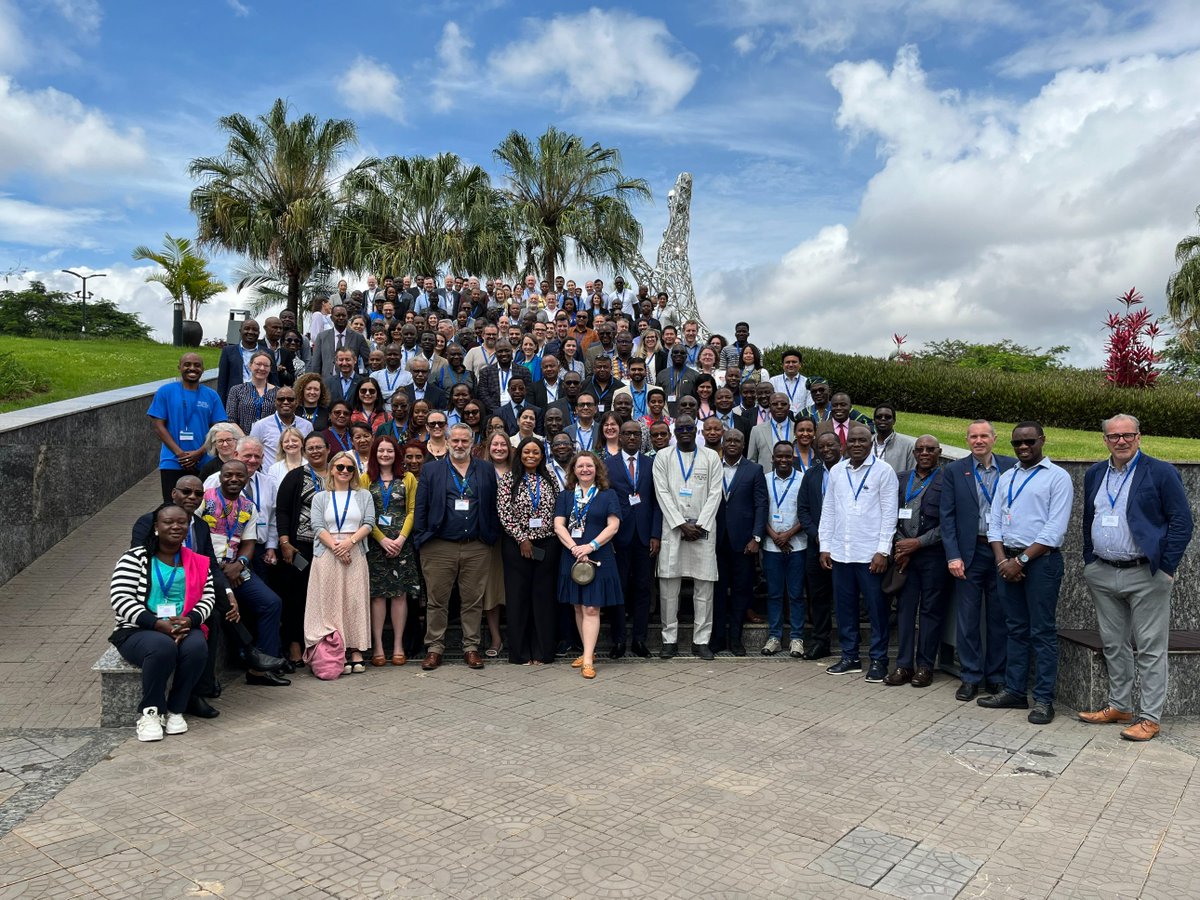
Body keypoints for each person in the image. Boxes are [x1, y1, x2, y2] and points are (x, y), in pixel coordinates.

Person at [1077, 414, 1194, 741]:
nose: (1121, 441)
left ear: (1139, 437)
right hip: (1103, 571)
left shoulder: (1161, 472)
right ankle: (1119, 706)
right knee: (1114, 644)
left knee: (1150, 648)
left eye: (1128, 435)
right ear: (1105, 441)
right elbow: (1089, 518)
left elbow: (1182, 522)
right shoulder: (1096, 473)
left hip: (1146, 573)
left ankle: (1150, 718)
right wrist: (1089, 560)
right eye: (1114, 436)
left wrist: (1167, 566)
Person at [978, 421, 1073, 725]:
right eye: (1017, 442)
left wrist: (1020, 561)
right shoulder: (1007, 477)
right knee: (1015, 629)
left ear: (1042, 440)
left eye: (1029, 441)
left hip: (1041, 564)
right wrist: (1002, 560)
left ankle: (1044, 699)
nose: (1023, 447)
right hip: (1006, 560)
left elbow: (1054, 529)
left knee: (1041, 632)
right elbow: (994, 522)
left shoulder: (1058, 478)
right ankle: (1015, 691)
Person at [110, 504, 215, 741]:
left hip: (183, 625)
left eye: (182, 522)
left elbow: (208, 597)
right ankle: (151, 712)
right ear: (156, 527)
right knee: (162, 646)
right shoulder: (134, 558)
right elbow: (120, 597)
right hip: (139, 629)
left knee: (197, 647)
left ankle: (176, 709)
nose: (176, 526)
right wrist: (157, 624)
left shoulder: (198, 562)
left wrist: (190, 620)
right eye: (168, 522)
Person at [413, 423, 501, 671]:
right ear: (447, 442)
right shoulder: (431, 470)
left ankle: (471, 647)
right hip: (439, 546)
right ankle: (434, 648)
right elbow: (421, 507)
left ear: (472, 443)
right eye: (455, 441)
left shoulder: (485, 469)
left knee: (472, 600)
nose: (460, 445)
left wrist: (490, 536)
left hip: (476, 546)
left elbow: (493, 504)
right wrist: (421, 537)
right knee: (437, 600)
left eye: (465, 441)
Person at [939, 420, 1017, 701]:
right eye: (973, 436)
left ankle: (996, 677)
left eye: (984, 435)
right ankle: (970, 676)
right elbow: (946, 517)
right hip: (969, 553)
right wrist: (953, 556)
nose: (979, 440)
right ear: (967, 440)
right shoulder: (955, 470)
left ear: (994, 439)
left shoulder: (1011, 467)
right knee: (968, 618)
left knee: (999, 617)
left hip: (1003, 553)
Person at [819, 424, 899, 682]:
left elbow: (890, 514)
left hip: (869, 555)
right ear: (845, 444)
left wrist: (882, 551)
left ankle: (878, 660)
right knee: (844, 610)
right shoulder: (837, 472)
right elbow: (828, 510)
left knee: (876, 610)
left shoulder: (884, 472)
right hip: (841, 553)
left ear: (871, 442)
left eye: (862, 440)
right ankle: (850, 656)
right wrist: (825, 547)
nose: (856, 444)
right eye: (851, 440)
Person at [202, 460, 288, 687]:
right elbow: (195, 539)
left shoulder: (248, 506)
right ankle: (245, 655)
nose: (233, 479)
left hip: (235, 566)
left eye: (239, 476)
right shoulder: (204, 499)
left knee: (271, 602)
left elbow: (249, 543)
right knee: (224, 609)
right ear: (220, 477)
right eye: (228, 475)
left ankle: (261, 669)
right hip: (206, 568)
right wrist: (222, 571)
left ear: (246, 478)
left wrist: (238, 565)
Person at [653, 415, 723, 660]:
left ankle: (701, 640)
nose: (685, 431)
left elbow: (716, 493)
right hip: (673, 529)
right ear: (675, 431)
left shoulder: (711, 457)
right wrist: (682, 524)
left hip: (702, 531)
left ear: (697, 430)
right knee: (668, 587)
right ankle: (668, 639)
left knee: (704, 587)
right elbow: (661, 492)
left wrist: (700, 525)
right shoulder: (663, 457)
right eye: (680, 428)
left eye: (689, 428)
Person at [884, 436, 951, 688]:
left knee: (930, 611)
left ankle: (924, 667)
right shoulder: (901, 479)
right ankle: (903, 665)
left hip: (933, 555)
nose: (924, 452)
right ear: (913, 452)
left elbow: (949, 523)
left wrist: (918, 543)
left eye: (930, 449)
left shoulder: (947, 481)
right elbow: (890, 514)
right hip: (904, 557)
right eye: (920, 449)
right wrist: (902, 546)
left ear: (939, 452)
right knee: (904, 611)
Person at [553, 451, 623, 679]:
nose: (585, 469)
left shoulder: (607, 494)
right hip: (572, 555)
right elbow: (558, 525)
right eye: (580, 466)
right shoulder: (565, 496)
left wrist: (590, 546)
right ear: (573, 470)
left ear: (597, 469)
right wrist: (575, 547)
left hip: (598, 555)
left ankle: (589, 659)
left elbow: (613, 526)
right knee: (578, 606)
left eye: (589, 466)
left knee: (592, 607)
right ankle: (586, 651)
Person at [304, 450, 375, 674]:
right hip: (327, 553)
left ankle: (356, 650)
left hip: (355, 551)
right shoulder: (320, 497)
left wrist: (349, 543)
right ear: (331, 470)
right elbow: (317, 526)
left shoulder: (363, 495)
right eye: (340, 467)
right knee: (331, 603)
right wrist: (337, 547)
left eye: (349, 468)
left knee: (354, 601)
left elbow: (369, 523)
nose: (344, 471)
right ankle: (338, 651)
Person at [498, 437, 562, 665]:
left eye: (536, 452)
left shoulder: (550, 478)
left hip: (547, 545)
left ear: (542, 455)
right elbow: (504, 513)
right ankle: (520, 653)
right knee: (518, 599)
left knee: (543, 599)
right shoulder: (508, 479)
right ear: (520, 454)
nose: (531, 456)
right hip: (517, 547)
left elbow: (559, 509)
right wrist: (522, 539)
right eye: (526, 452)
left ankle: (543, 652)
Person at [604, 420, 662, 659]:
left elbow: (658, 502)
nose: (631, 437)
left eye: (636, 434)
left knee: (642, 589)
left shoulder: (652, 464)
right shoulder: (608, 465)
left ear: (642, 437)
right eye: (626, 433)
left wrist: (656, 534)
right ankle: (618, 641)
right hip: (618, 537)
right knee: (619, 589)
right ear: (620, 437)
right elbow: (606, 499)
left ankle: (639, 640)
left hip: (645, 537)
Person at [364, 435, 421, 667]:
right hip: (376, 545)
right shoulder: (366, 478)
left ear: (396, 454)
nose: (385, 455)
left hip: (402, 546)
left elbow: (412, 511)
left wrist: (400, 539)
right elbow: (364, 514)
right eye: (381, 451)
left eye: (389, 451)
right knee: (377, 596)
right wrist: (382, 539)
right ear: (375, 454)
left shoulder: (407, 478)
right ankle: (378, 646)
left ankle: (398, 645)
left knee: (399, 595)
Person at [712, 429, 766, 657]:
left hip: (744, 543)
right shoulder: (712, 466)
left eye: (737, 440)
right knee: (717, 591)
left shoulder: (754, 470)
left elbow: (761, 505)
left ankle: (735, 638)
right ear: (723, 443)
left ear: (744, 445)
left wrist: (756, 537)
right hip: (715, 541)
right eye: (729, 440)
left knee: (741, 591)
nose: (732, 443)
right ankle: (717, 639)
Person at [148, 353, 226, 501]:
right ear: (179, 368)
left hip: (204, 462)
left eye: (197, 365)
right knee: (172, 506)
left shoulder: (211, 395)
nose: (192, 368)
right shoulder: (166, 392)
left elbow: (218, 428)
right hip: (172, 461)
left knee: (204, 506)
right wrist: (180, 455)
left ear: (203, 369)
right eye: (187, 364)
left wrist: (200, 452)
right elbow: (158, 427)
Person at [759, 441, 808, 658]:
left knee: (797, 594)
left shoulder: (803, 479)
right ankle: (775, 637)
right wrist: (774, 535)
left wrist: (788, 534)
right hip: (771, 545)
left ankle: (797, 638)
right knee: (774, 593)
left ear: (793, 457)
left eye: (788, 456)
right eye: (779, 456)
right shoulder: (765, 480)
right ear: (773, 458)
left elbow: (807, 511)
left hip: (797, 544)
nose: (784, 460)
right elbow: (760, 510)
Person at [796, 430, 840, 660]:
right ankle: (821, 642)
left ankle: (850, 642)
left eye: (830, 445)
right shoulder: (811, 475)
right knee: (818, 596)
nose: (826, 450)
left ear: (840, 445)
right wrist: (818, 536)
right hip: (817, 546)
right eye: (821, 447)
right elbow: (803, 509)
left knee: (845, 595)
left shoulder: (849, 473)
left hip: (845, 546)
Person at [482, 433, 512, 657]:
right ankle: (496, 638)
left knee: (513, 588)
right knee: (492, 590)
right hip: (490, 539)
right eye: (495, 444)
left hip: (515, 538)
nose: (499, 448)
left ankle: (515, 635)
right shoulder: (480, 470)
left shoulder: (518, 469)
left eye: (503, 444)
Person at [250, 386, 313, 469]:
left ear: (296, 403)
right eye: (281, 399)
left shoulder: (307, 426)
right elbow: (251, 452)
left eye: (290, 399)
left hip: (300, 476)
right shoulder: (261, 426)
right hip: (272, 478)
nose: (286, 402)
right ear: (275, 402)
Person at [224, 350, 277, 435]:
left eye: (266, 365)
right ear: (250, 365)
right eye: (258, 364)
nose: (262, 368)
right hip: (243, 441)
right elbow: (231, 419)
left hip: (269, 441)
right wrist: (245, 440)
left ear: (270, 368)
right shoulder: (237, 390)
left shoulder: (278, 393)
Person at [311, 304, 370, 379]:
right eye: (338, 315)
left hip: (351, 383)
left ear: (347, 317)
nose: (341, 318)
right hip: (327, 382)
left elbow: (368, 361)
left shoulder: (358, 337)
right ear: (332, 318)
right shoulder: (322, 337)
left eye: (343, 315)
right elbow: (316, 364)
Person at [748, 392, 796, 471]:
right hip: (765, 479)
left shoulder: (798, 430)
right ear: (770, 407)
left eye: (783, 404)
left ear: (789, 407)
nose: (779, 407)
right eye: (775, 404)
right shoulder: (757, 430)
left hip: (793, 479)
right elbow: (752, 460)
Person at [871, 405, 917, 474]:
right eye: (879, 417)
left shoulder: (908, 446)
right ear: (874, 421)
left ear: (894, 421)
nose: (883, 419)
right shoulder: (866, 443)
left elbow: (912, 473)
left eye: (888, 417)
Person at [770, 348, 809, 415]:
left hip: (801, 422)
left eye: (794, 362)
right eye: (787, 362)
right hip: (780, 420)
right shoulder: (773, 381)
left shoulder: (807, 382)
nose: (791, 365)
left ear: (800, 364)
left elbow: (809, 406)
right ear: (782, 365)